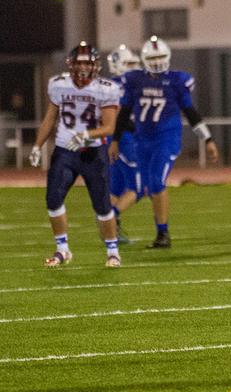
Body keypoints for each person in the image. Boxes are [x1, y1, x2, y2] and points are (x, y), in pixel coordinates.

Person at [112, 35, 220, 248]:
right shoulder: (134, 80)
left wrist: (208, 138)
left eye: (161, 56)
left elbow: (190, 112)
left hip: (166, 139)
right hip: (141, 140)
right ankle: (161, 233)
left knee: (157, 182)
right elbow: (124, 112)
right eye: (154, 57)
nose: (158, 60)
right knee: (149, 187)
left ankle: (163, 234)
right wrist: (115, 139)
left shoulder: (177, 81)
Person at [29, 42, 123, 267]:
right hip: (64, 151)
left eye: (87, 63)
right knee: (53, 200)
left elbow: (109, 127)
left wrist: (85, 136)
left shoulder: (106, 88)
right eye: (79, 63)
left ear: (95, 65)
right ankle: (63, 249)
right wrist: (37, 145)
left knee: (102, 206)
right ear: (71, 65)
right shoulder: (58, 84)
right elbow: (50, 118)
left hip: (93, 153)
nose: (83, 68)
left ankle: (113, 251)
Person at [105, 44, 143, 243]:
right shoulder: (125, 85)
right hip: (123, 139)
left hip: (108, 139)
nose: (133, 67)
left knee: (116, 188)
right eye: (129, 63)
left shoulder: (107, 85)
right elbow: (121, 115)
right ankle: (109, 218)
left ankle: (113, 233)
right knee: (140, 187)